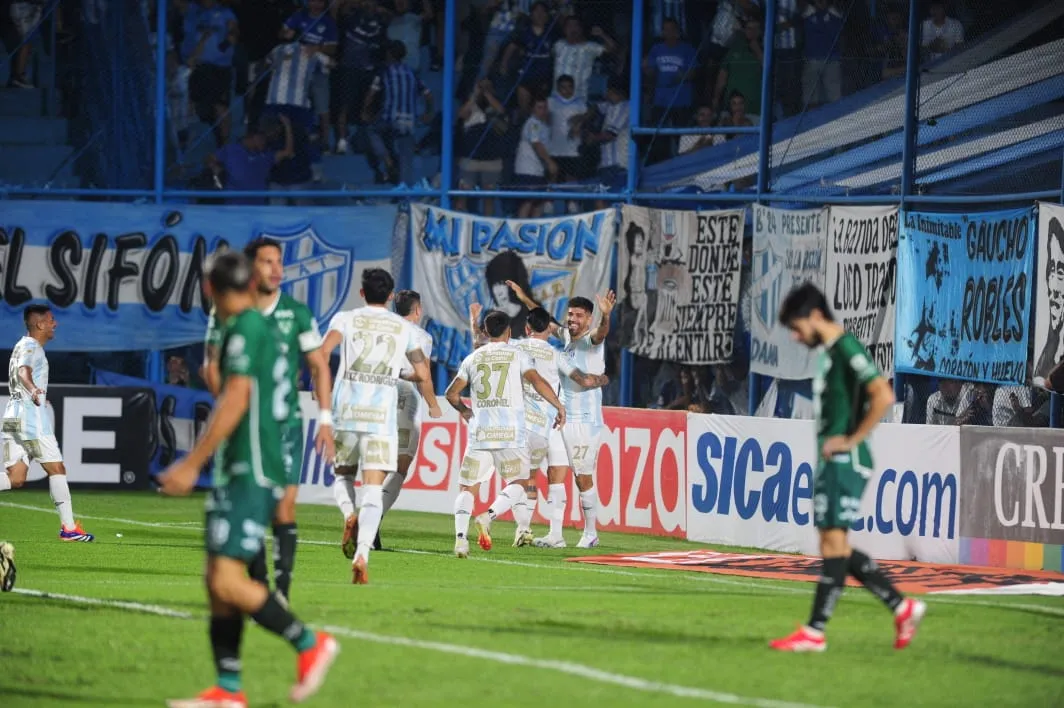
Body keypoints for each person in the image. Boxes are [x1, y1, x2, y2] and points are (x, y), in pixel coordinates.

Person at [160, 251, 339, 707]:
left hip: (251, 464)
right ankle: (228, 690)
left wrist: (191, 462)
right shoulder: (259, 327)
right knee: (215, 577)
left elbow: (236, 395)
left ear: (209, 290)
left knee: (225, 579)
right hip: (249, 460)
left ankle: (308, 643)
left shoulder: (243, 328)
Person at [770, 282, 924, 653]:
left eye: (796, 326)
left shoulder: (846, 348)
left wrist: (852, 441)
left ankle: (815, 631)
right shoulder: (829, 352)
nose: (795, 335)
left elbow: (883, 395)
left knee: (833, 542)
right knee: (832, 543)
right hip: (832, 460)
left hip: (847, 460)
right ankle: (901, 607)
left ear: (816, 316)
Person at [202, 238, 336, 604]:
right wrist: (230, 404)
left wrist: (324, 420)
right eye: (266, 262)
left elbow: (319, 367)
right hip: (244, 428)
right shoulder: (228, 311)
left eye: (279, 261)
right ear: (249, 268)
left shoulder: (296, 312)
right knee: (256, 508)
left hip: (286, 425)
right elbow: (210, 365)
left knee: (283, 507)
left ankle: (283, 593)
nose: (276, 269)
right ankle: (260, 582)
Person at [322, 268, 435, 584]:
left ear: (361, 293)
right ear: (389, 296)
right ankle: (362, 555)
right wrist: (401, 376)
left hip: (346, 411)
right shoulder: (405, 329)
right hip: (380, 418)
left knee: (343, 475)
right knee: (373, 487)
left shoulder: (345, 319)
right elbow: (422, 373)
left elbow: (321, 353)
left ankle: (348, 514)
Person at [445, 310, 566, 558]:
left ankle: (460, 541)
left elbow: (451, 393)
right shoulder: (518, 355)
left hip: (480, 434)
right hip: (510, 434)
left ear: (487, 332)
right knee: (520, 483)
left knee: (467, 489)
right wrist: (558, 406)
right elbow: (538, 382)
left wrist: (465, 412)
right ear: (509, 331)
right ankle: (489, 516)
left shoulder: (472, 358)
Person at [515, 304, 609, 548]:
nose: (572, 319)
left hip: (585, 421)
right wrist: (523, 296)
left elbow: (601, 333)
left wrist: (606, 315)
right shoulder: (566, 339)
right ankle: (555, 534)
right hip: (562, 418)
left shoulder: (592, 340)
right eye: (570, 314)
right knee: (554, 473)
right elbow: (542, 321)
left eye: (578, 315)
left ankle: (591, 533)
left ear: (589, 318)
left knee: (582, 477)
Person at [0, 304, 93, 542]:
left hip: (12, 415)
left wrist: (34, 391)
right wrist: (33, 390)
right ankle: (69, 528)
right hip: (31, 420)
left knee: (15, 478)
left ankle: (69, 528)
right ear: (40, 324)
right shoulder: (32, 347)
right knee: (56, 469)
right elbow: (23, 373)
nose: (55, 323)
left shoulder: (21, 345)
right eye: (51, 319)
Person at [377, 289, 443, 548]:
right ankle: (370, 522)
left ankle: (367, 521)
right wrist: (433, 404)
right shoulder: (419, 335)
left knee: (378, 465)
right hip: (403, 399)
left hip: (374, 396)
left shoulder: (382, 327)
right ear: (417, 310)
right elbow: (423, 374)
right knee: (400, 464)